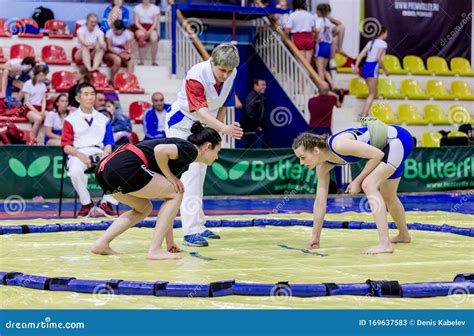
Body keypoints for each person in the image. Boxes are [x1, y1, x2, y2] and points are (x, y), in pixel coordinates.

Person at [91, 122, 222, 260]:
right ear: (208, 147)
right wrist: (170, 176)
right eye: (217, 151)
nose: (217, 157)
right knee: (177, 192)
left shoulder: (184, 159)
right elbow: (160, 150)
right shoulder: (190, 149)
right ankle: (154, 250)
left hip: (104, 170)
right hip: (124, 166)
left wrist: (170, 242)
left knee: (145, 208)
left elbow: (169, 207)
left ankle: (101, 244)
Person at [292, 123, 414, 255]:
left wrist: (357, 181)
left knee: (368, 184)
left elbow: (377, 155)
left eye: (302, 157)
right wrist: (315, 237)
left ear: (316, 150)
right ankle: (404, 235)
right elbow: (320, 203)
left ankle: (385, 244)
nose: (301, 163)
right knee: (388, 195)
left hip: (397, 138)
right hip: (390, 146)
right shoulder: (322, 167)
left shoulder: (338, 145)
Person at [166, 43, 243, 247]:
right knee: (190, 176)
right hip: (181, 127)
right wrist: (224, 129)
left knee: (200, 175)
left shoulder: (231, 72)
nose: (225, 75)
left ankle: (199, 225)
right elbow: (200, 111)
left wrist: (215, 135)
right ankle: (189, 231)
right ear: (212, 62)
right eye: (222, 71)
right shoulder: (196, 75)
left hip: (203, 127)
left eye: (229, 71)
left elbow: (225, 103)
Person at [61, 83, 118, 218]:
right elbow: (66, 146)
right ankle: (87, 204)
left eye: (92, 94)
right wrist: (80, 156)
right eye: (86, 94)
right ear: (78, 98)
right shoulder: (70, 120)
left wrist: (106, 154)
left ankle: (107, 203)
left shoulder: (104, 119)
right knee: (75, 170)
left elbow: (108, 143)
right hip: (78, 153)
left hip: (99, 152)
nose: (90, 97)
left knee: (118, 167)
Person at [353, 27, 389, 117]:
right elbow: (378, 58)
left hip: (365, 67)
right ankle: (364, 115)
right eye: (386, 33)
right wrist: (385, 70)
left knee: (374, 92)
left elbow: (361, 55)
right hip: (372, 68)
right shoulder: (383, 43)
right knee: (372, 94)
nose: (387, 35)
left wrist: (356, 67)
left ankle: (364, 112)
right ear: (383, 33)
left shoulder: (370, 42)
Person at [284, 0, 317, 65]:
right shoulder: (310, 15)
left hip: (298, 38)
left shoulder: (292, 15)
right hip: (309, 38)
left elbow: (287, 30)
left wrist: (287, 39)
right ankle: (306, 75)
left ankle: (301, 75)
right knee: (308, 65)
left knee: (300, 65)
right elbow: (314, 29)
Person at [21, 65, 48, 138]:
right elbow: (27, 102)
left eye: (43, 75)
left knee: (49, 115)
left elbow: (43, 100)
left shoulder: (43, 85)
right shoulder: (28, 84)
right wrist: (38, 112)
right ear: (36, 74)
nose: (42, 77)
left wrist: (42, 111)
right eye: (40, 75)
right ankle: (31, 139)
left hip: (39, 107)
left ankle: (44, 138)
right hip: (28, 108)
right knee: (38, 118)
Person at [314, 4, 335, 91]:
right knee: (324, 69)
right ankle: (332, 85)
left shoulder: (319, 20)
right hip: (328, 46)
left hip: (321, 45)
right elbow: (332, 32)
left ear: (319, 11)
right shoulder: (328, 21)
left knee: (320, 71)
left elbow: (318, 30)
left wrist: (316, 37)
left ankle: (322, 89)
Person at [133, 0, 160, 65]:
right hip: (140, 27)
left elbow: (155, 23)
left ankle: (153, 61)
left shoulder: (155, 8)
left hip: (151, 27)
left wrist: (149, 31)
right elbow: (136, 22)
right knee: (141, 38)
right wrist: (144, 31)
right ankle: (141, 61)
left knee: (154, 38)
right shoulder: (137, 8)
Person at [241, 79, 267, 148]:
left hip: (255, 130)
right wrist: (256, 125)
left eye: (265, 85)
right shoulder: (252, 96)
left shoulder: (259, 96)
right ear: (255, 85)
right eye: (262, 85)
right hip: (252, 131)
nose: (264, 87)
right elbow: (249, 112)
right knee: (255, 153)